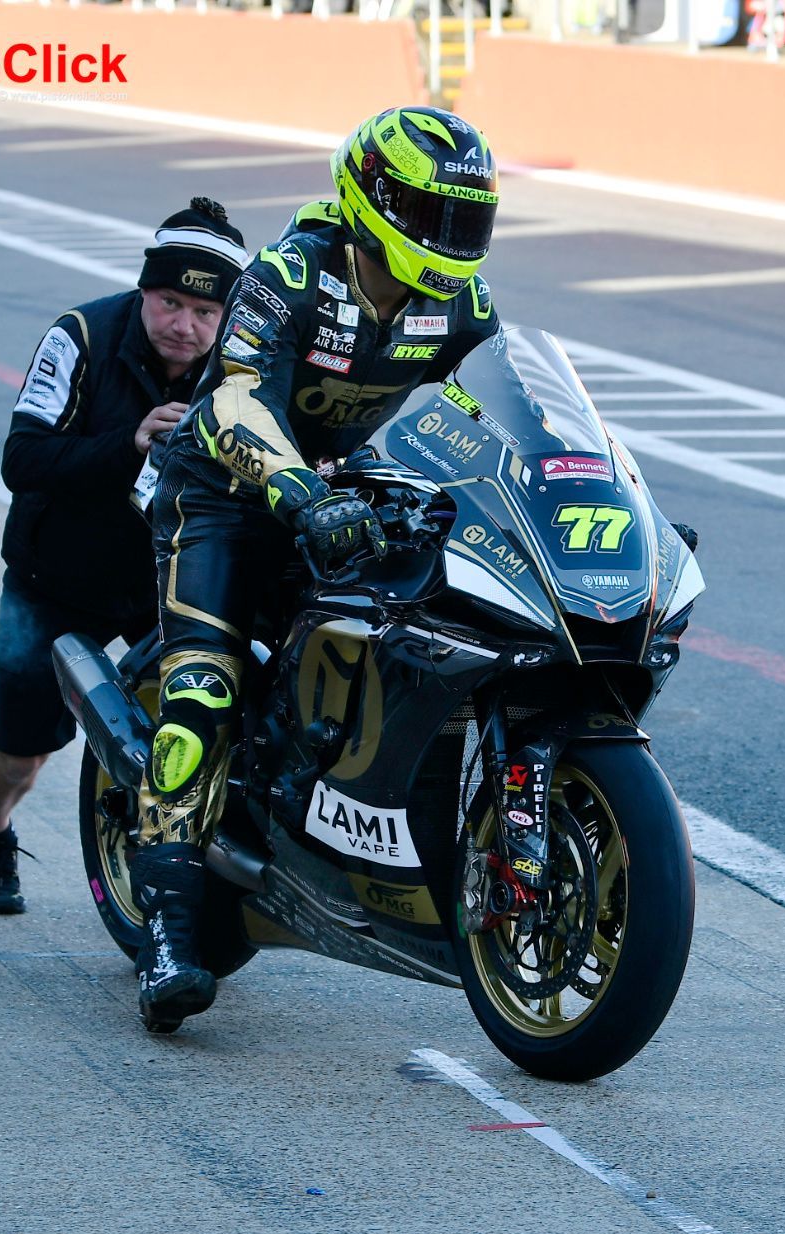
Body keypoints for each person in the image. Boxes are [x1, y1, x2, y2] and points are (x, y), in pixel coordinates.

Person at [130, 107, 505, 1030]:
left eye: (468, 220)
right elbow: (229, 402)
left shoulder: (464, 303)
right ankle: (169, 938)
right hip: (222, 501)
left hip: (346, 501)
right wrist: (300, 489)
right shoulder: (289, 274)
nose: (454, 240)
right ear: (373, 201)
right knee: (202, 697)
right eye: (433, 215)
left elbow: (506, 410)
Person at [0, 197, 247, 915]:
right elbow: (21, 459)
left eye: (205, 313)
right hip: (56, 576)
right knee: (23, 752)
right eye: (169, 302)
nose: (185, 325)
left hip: (173, 578)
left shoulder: (248, 358)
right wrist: (127, 445)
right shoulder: (81, 336)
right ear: (144, 291)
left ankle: (172, 878)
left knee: (200, 731)